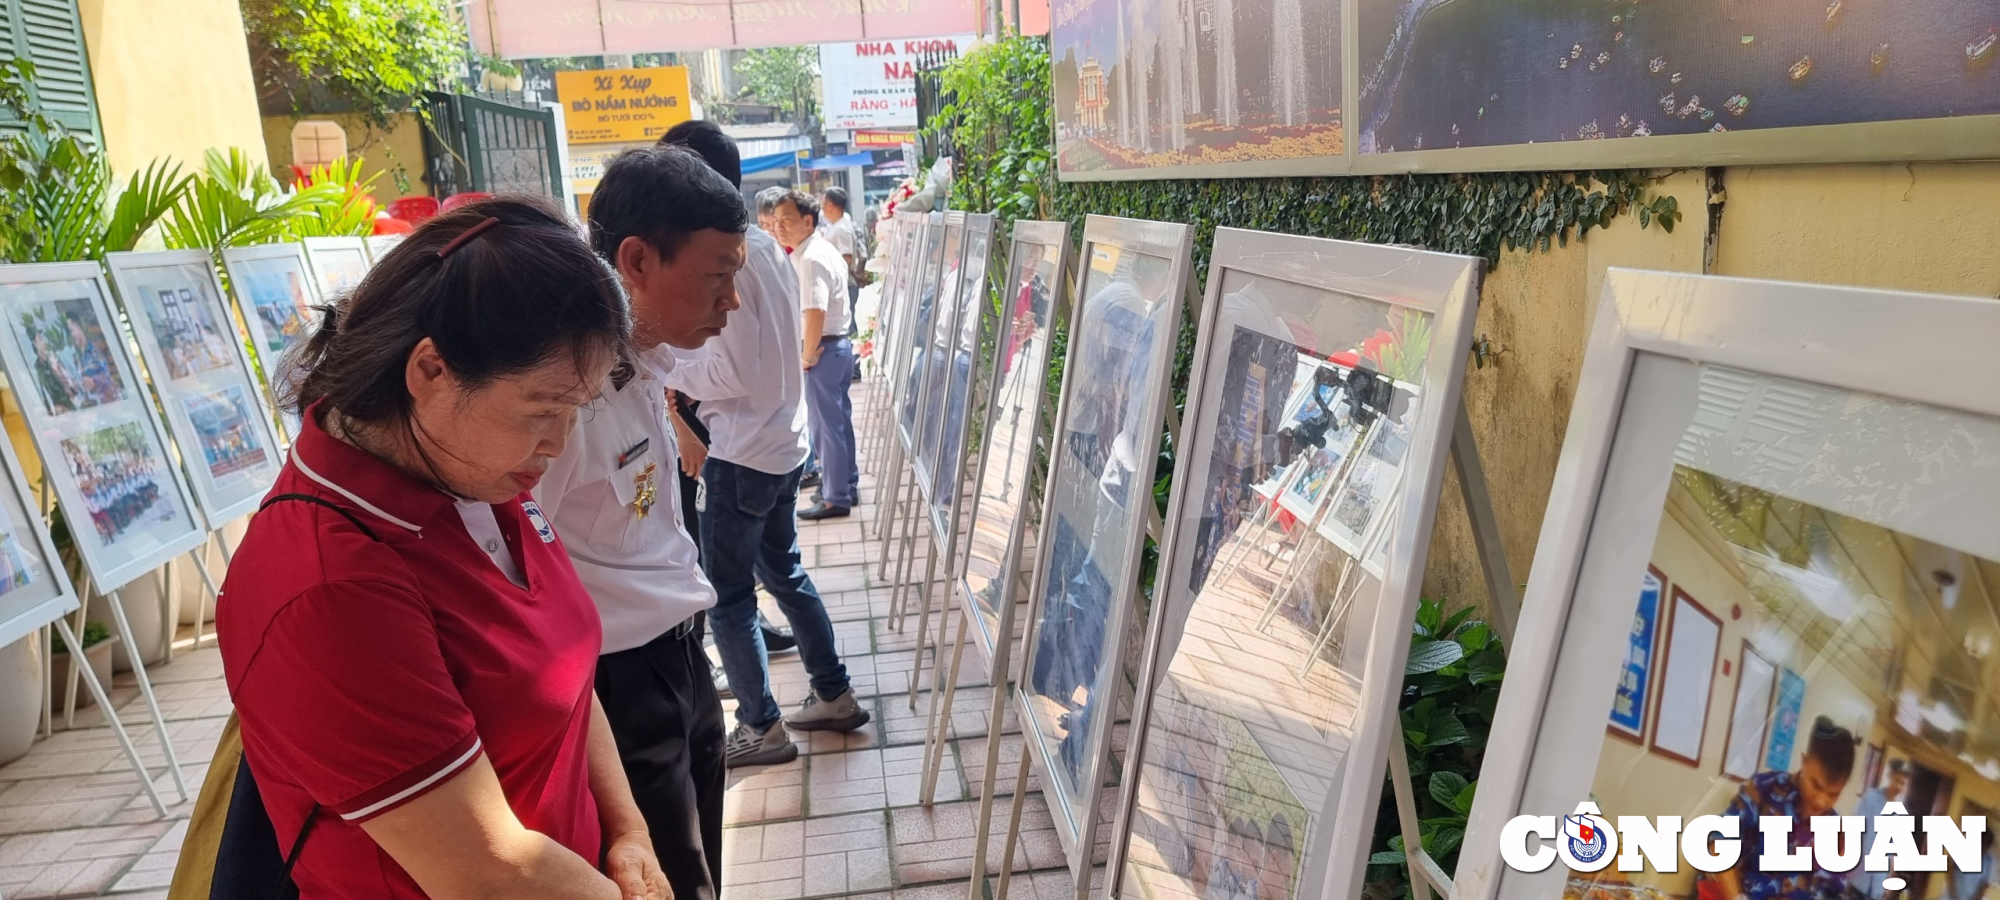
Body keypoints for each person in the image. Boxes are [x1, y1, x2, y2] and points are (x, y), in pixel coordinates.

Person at [216, 198, 670, 900]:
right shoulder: (332, 584)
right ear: (430, 371)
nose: (561, 443)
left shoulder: (473, 467)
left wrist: (629, 831)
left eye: (576, 410)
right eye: (544, 409)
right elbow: (487, 871)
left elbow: (565, 673)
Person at [532, 145, 742, 900]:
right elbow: (520, 571)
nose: (733, 300)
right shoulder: (566, 400)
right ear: (638, 259)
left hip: (680, 663)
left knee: (700, 873)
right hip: (619, 692)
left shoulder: (643, 364)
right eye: (718, 276)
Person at [659, 120, 871, 769]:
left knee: (727, 596)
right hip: (780, 442)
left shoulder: (729, 257)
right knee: (783, 572)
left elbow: (733, 371)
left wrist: (667, 371)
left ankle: (760, 725)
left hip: (743, 449)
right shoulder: (757, 246)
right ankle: (832, 692)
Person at [770, 191, 858, 520]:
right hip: (835, 348)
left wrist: (806, 357)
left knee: (826, 429)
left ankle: (836, 497)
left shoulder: (809, 258)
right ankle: (846, 485)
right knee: (837, 424)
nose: (779, 227)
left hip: (823, 350)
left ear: (808, 221)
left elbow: (815, 312)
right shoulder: (817, 249)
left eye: (786, 220)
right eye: (775, 221)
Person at [1702, 716, 1857, 900]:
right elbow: (1719, 842)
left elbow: (1835, 890)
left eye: (1834, 794)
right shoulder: (1763, 790)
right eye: (1815, 785)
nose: (1821, 801)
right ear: (1804, 761)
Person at [1852, 759, 1912, 900]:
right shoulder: (1870, 799)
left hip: (1877, 887)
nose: (1898, 786)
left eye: (1902, 783)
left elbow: (1894, 855)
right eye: (1897, 780)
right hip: (1857, 878)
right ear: (1889, 776)